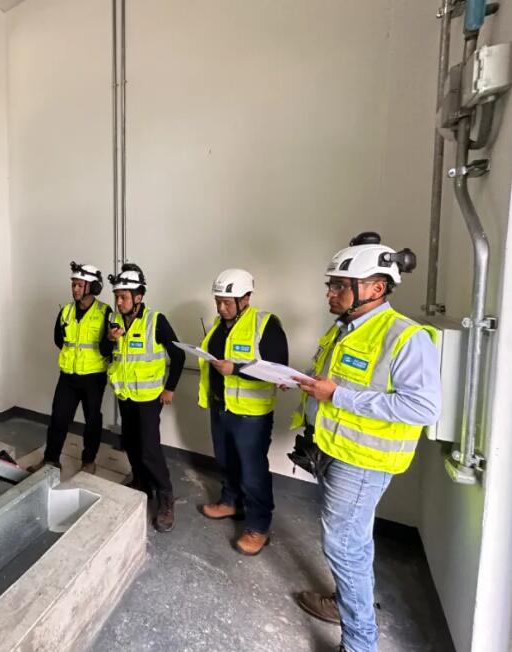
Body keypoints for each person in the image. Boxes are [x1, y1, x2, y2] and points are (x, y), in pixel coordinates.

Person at [290, 232, 441, 652]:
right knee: (352, 543)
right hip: (333, 449)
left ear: (375, 288)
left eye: (340, 285)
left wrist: (336, 395)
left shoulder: (405, 336)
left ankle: (360, 643)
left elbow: (423, 407)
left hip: (363, 461)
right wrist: (306, 384)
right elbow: (337, 382)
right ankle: (344, 602)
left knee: (344, 546)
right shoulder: (346, 329)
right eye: (331, 284)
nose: (330, 293)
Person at [196, 268, 289, 556]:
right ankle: (230, 502)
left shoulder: (265, 324)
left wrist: (235, 369)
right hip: (221, 405)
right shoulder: (219, 324)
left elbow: (278, 370)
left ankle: (258, 527)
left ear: (245, 298)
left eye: (227, 302)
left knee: (252, 471)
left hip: (251, 414)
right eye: (218, 301)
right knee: (225, 460)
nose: (221, 308)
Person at [104, 262, 185, 532]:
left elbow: (178, 355)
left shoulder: (155, 320)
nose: (119, 302)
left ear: (138, 297)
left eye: (124, 296)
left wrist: (170, 388)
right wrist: (110, 340)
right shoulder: (114, 321)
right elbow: (104, 351)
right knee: (130, 442)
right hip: (125, 395)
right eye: (116, 296)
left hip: (149, 398)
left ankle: (165, 496)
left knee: (149, 449)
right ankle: (141, 483)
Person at [29, 262, 112, 474]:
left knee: (92, 421)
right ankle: (51, 459)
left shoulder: (105, 312)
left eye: (79, 285)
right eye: (73, 284)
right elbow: (59, 339)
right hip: (68, 376)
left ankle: (88, 461)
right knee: (58, 418)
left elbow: (107, 347)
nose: (75, 289)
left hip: (93, 377)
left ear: (93, 287)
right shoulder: (66, 310)